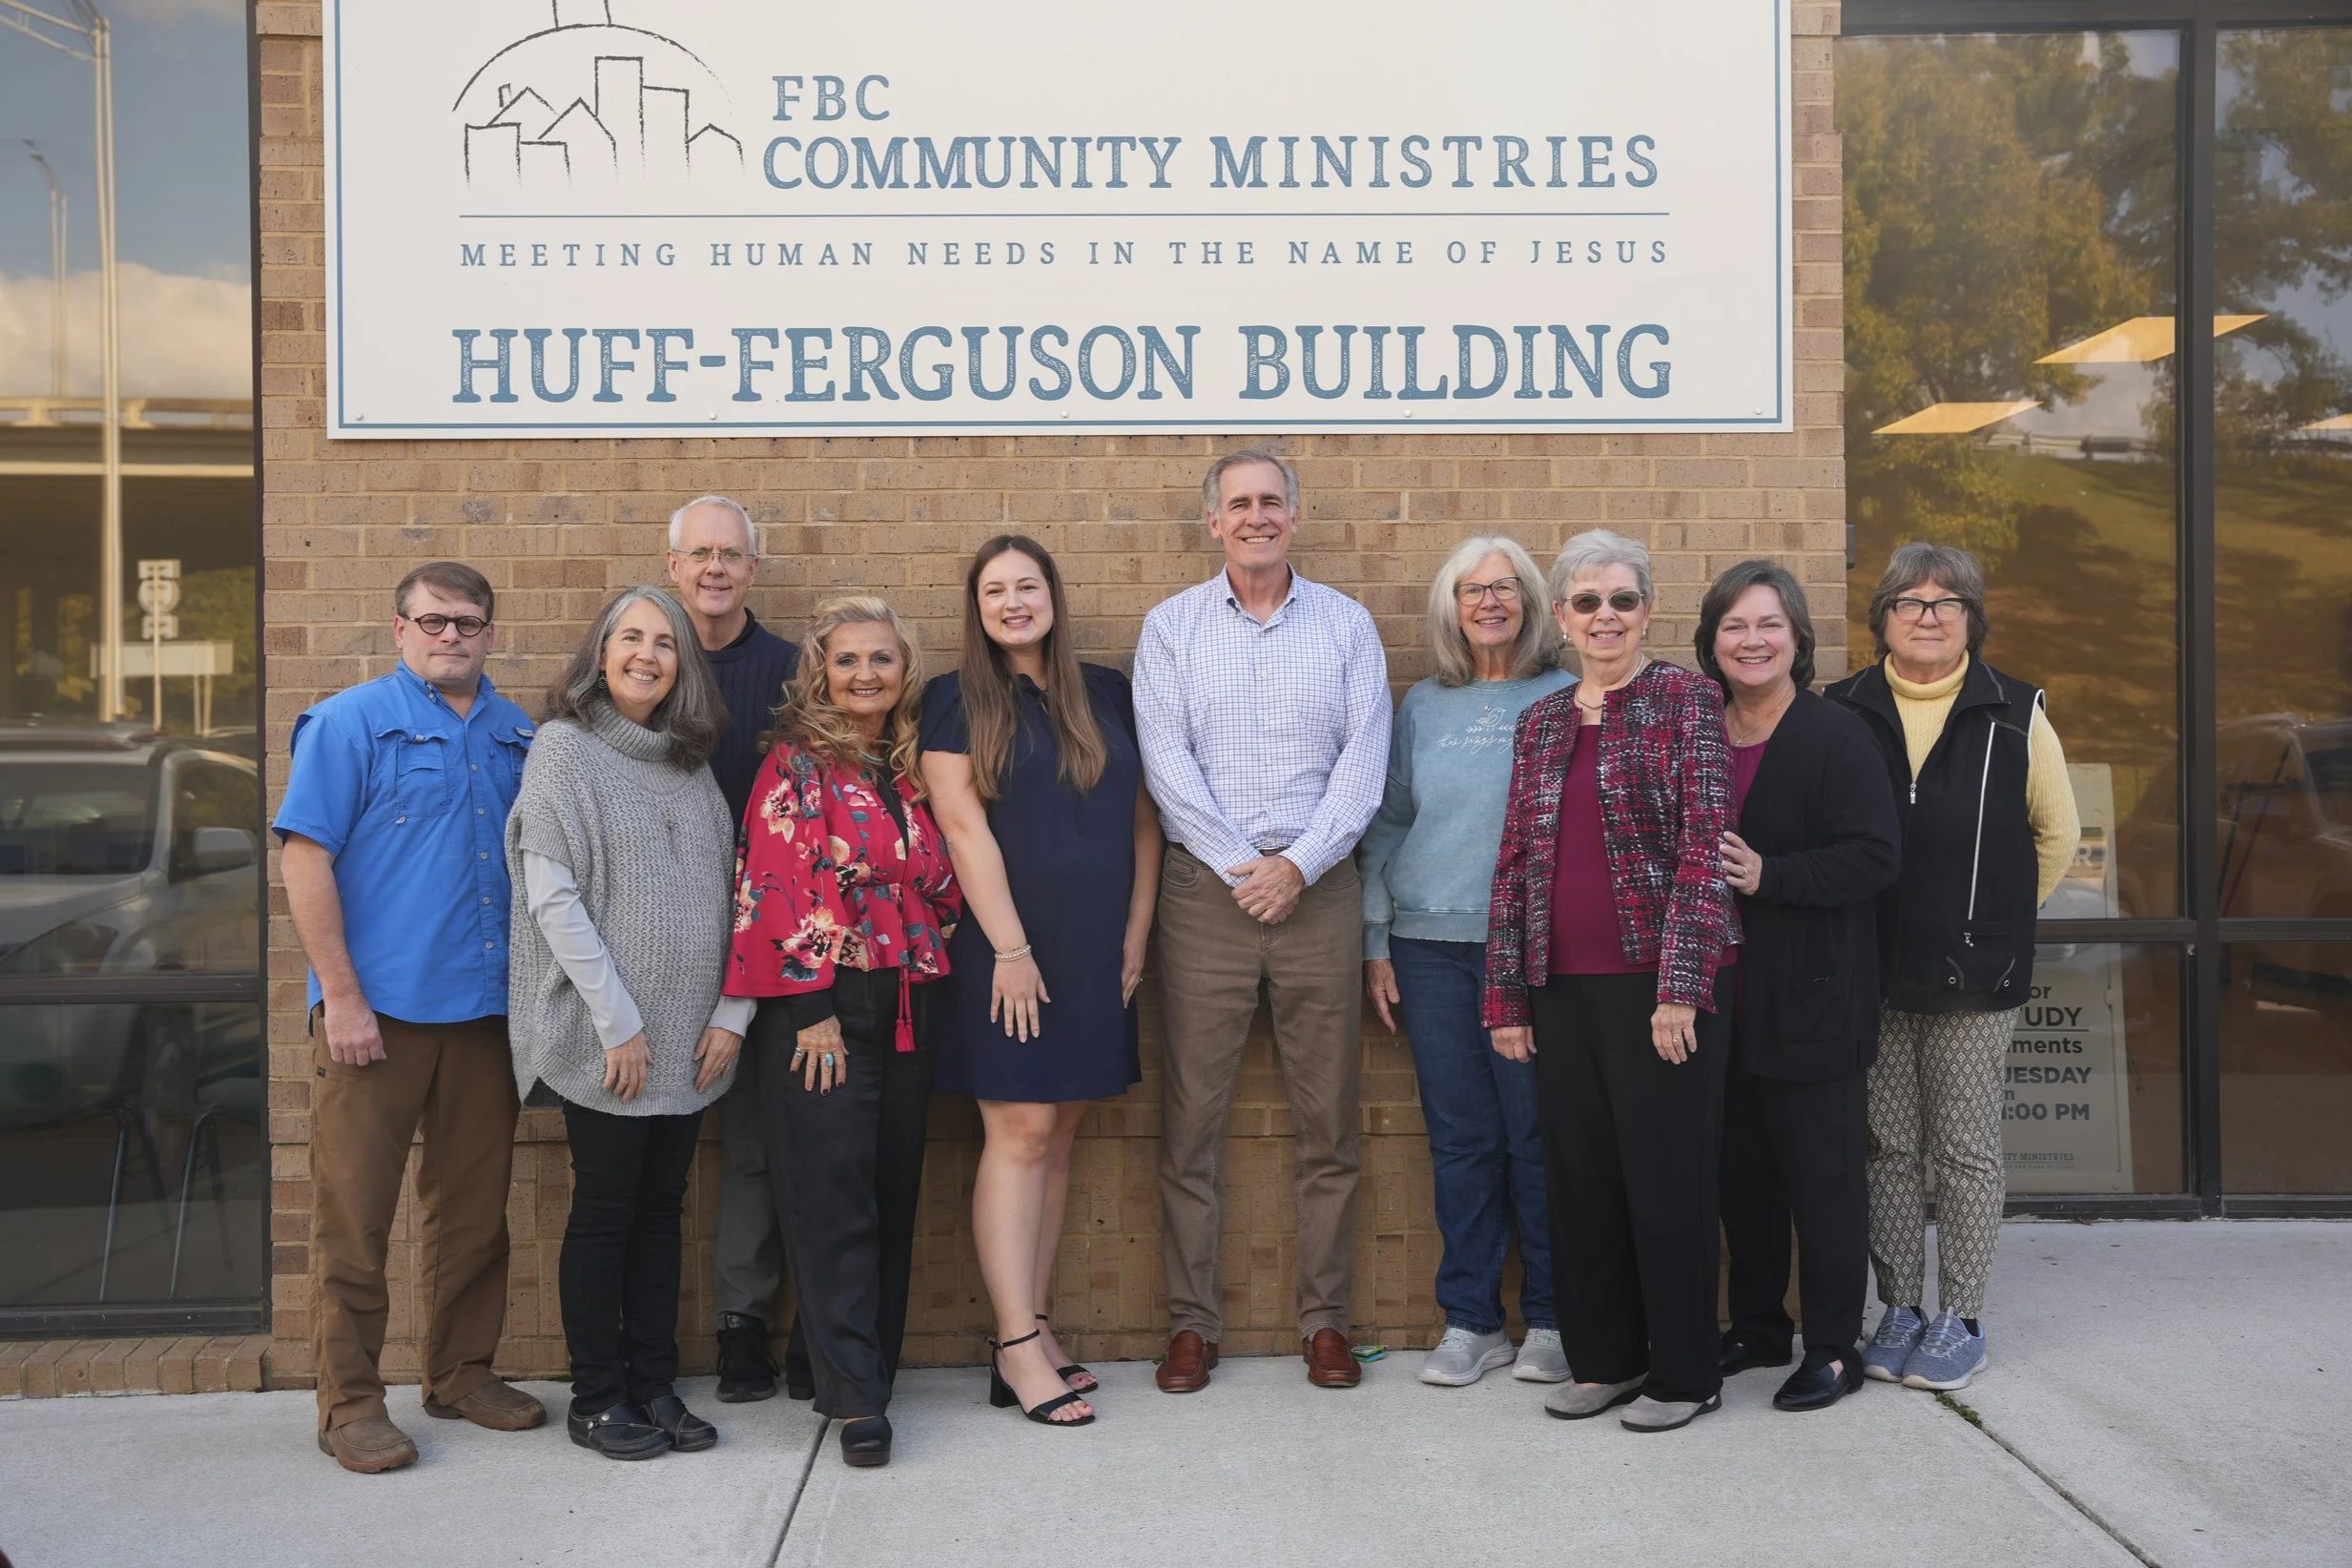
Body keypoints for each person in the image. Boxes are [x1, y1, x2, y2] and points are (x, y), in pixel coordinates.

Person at [275, 561, 543, 1474]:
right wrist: (340, 996)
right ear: (399, 630)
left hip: (485, 1017)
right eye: (432, 622)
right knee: (355, 1219)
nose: (451, 637)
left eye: (468, 623)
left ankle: (462, 1374)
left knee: (473, 1215)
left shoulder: (520, 737)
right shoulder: (350, 723)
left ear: (491, 635)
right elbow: (305, 860)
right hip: (374, 1015)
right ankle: (349, 1405)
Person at [1134, 448, 1392, 1393]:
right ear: (1213, 522)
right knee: (1191, 1126)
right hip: (1207, 896)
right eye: (1238, 504)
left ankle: (1325, 1321)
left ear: (1294, 515)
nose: (1255, 516)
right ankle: (1192, 1326)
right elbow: (1166, 767)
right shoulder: (1171, 630)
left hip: (1319, 891)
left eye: (1270, 502)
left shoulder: (1348, 626)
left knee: (1329, 1127)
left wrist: (1298, 866)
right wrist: (1247, 868)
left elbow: (1364, 765)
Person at [1483, 528, 1741, 1434]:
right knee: (1582, 1182)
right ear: (1560, 617)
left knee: (1665, 1182)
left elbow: (1704, 848)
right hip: (1561, 988)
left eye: (1622, 600)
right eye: (1587, 602)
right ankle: (1606, 1360)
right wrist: (1508, 996)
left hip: (1654, 990)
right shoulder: (1542, 721)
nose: (1605, 617)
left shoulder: (1685, 700)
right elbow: (1514, 862)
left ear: (1647, 611)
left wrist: (1680, 986)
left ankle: (1684, 1371)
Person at [1826, 545, 2078, 1393]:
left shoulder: (2015, 709)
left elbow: (2058, 836)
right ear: (1882, 620)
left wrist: (1996, 922)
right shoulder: (1844, 708)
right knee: (1887, 1145)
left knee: (1964, 1150)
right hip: (1871, 969)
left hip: (1974, 977)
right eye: (1908, 600)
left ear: (1972, 617)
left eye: (1946, 601)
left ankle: (1960, 1316)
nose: (1927, 615)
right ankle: (1898, 1308)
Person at [919, 535, 1158, 1428]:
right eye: (994, 591)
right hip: (1004, 949)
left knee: (1060, 1134)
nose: (1013, 602)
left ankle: (1038, 1325)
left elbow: (1142, 816)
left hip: (1098, 947)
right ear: (976, 608)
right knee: (1018, 1130)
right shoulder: (952, 701)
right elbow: (961, 828)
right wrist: (1012, 950)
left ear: (1053, 595)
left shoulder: (1106, 691)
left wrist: (1136, 933)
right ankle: (1014, 1346)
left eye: (1027, 586)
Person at [505, 586, 743, 1460]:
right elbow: (552, 898)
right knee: (606, 1213)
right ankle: (597, 1395)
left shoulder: (690, 763)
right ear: (600, 653)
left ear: (683, 664)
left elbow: (735, 897)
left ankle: (654, 1385)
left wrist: (733, 1014)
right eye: (630, 638)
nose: (647, 654)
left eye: (665, 643)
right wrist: (619, 1023)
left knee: (662, 1213)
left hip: (691, 1041)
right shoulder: (564, 751)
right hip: (613, 1042)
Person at [724, 596, 963, 1469]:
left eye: (883, 659)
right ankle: (856, 1400)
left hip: (911, 996)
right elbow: (772, 889)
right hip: (823, 1003)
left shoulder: (910, 767)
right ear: (820, 670)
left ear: (906, 669)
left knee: (890, 1190)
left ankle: (831, 1362)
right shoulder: (796, 765)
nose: (866, 673)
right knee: (830, 1199)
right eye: (848, 659)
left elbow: (947, 878)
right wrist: (807, 1008)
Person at [1358, 535, 1573, 1388]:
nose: (1489, 602)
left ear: (1530, 602)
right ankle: (1473, 1320)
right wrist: (1377, 939)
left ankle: (1553, 1319)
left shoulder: (1569, 696)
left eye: (1505, 587)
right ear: (1451, 607)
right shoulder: (1423, 706)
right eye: (1470, 590)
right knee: (1461, 1140)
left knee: (1539, 1136)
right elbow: (1388, 826)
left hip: (1536, 953)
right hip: (1430, 948)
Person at [1696, 561, 1902, 1413]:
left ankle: (1830, 1345)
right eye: (1735, 627)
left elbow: (1876, 855)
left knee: (1822, 1180)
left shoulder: (1835, 734)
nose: (1752, 641)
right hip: (1720, 999)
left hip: (1813, 997)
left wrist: (1770, 873)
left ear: (1798, 638)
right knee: (1740, 1177)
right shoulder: (1703, 731)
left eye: (1768, 625)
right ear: (1712, 643)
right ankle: (1756, 1326)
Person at [662, 495, 804, 1406]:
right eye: (699, 554)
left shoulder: (794, 673)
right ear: (673, 565)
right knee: (649, 1145)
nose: (716, 568)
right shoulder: (640, 660)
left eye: (732, 554)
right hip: (661, 942)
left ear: (754, 568)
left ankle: (745, 1326)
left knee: (757, 1144)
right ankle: (644, 1336)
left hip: (772, 942)